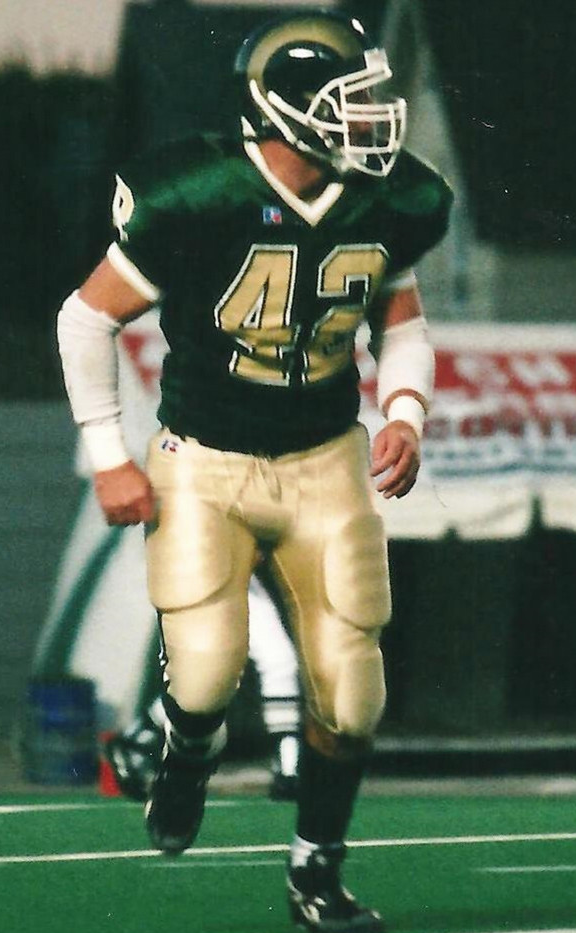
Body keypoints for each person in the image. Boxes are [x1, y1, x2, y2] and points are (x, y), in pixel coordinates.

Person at [56, 11, 452, 932]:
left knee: (353, 689)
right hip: (207, 461)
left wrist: (404, 411)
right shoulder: (200, 190)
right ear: (284, 111)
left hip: (324, 458)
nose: (372, 121)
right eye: (347, 102)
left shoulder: (387, 199)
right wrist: (109, 454)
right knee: (202, 676)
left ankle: (316, 872)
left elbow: (401, 322)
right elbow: (86, 318)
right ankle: (185, 747)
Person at [106, 574, 302, 802]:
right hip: (207, 566)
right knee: (212, 674)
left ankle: (289, 767)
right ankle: (137, 738)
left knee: (274, 662)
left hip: (239, 570)